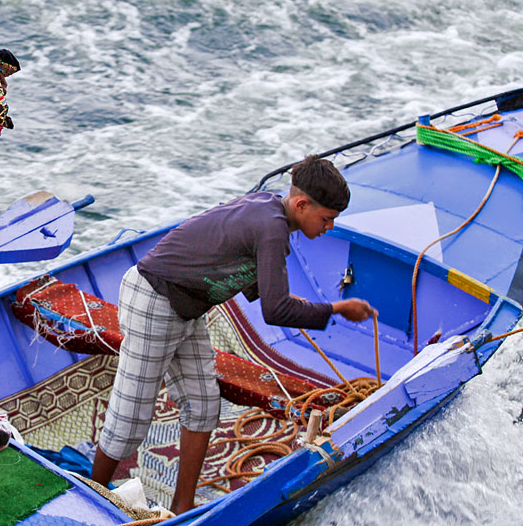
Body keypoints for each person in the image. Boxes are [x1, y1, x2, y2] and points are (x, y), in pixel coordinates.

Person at [90, 155, 377, 514]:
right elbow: (276, 312)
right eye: (327, 219)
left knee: (203, 405)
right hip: (154, 298)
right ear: (302, 204)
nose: (329, 227)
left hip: (187, 307)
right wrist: (337, 309)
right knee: (132, 416)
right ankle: (92, 498)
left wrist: (283, 295)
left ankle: (182, 508)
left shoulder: (270, 212)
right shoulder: (271, 229)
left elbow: (249, 276)